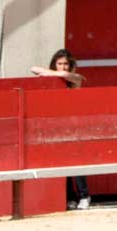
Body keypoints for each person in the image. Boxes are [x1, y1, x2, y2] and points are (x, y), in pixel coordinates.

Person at [31, 49, 88, 208]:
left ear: (71, 66)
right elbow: (34, 68)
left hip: (73, 125)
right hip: (57, 126)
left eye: (66, 64)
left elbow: (63, 76)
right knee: (63, 161)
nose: (63, 67)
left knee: (76, 161)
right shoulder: (54, 78)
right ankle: (70, 197)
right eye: (59, 64)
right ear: (54, 64)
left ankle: (84, 196)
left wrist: (50, 73)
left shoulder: (75, 78)